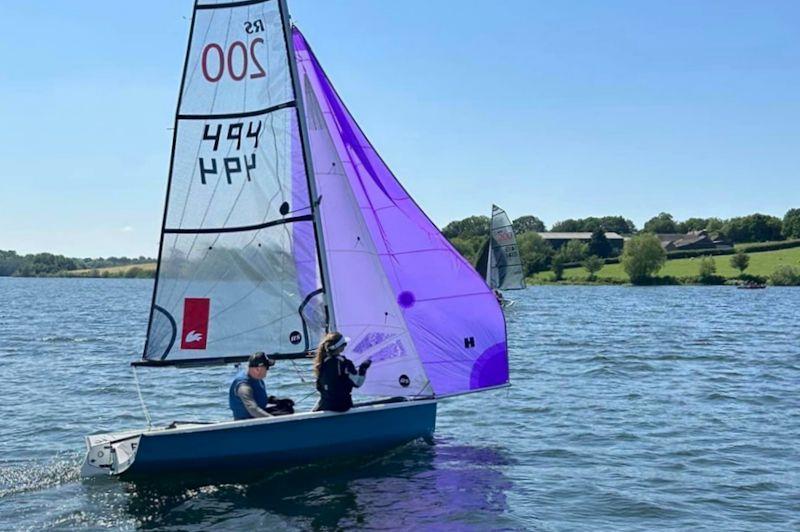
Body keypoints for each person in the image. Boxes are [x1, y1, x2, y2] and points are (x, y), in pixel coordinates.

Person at [312, 332, 371, 412]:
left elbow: (321, 388)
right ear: (340, 348)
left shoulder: (320, 364)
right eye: (344, 344)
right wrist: (363, 369)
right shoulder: (345, 363)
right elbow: (357, 383)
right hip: (342, 407)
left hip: (326, 406)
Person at [229, 352, 294, 420]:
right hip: (247, 421)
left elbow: (257, 396)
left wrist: (276, 401)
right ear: (257, 369)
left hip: (256, 416)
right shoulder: (244, 387)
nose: (267, 370)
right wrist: (274, 421)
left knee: (287, 408)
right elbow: (253, 409)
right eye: (267, 367)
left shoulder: (255, 377)